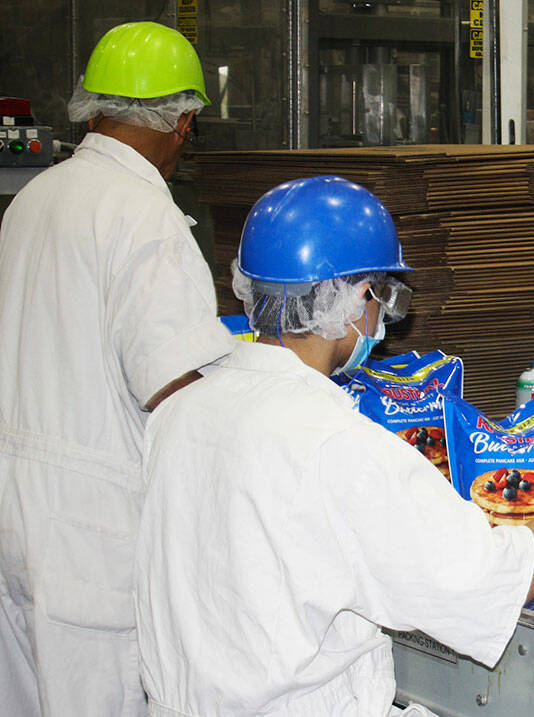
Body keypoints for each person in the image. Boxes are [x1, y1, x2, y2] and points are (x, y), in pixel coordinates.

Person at [134, 175, 534, 715]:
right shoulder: (340, 445)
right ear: (360, 298)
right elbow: (495, 579)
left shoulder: (179, 412)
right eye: (384, 295)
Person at [0, 21, 233, 715]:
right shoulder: (145, 217)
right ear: (184, 122)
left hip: (14, 513)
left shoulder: (33, 199)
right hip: (91, 539)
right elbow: (174, 394)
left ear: (92, 108)